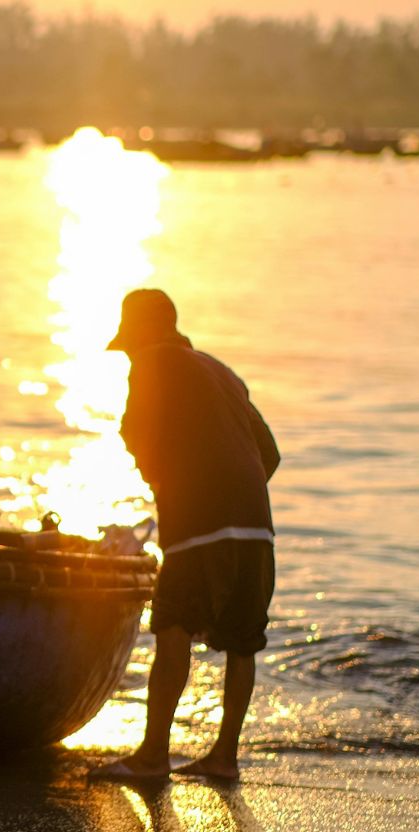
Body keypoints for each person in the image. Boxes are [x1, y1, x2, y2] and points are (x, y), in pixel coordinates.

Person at [91, 288, 279, 782]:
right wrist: (237, 499)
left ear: (145, 334)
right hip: (257, 526)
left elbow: (136, 432)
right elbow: (270, 455)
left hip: (199, 522)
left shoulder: (153, 361)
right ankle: (224, 759)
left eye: (130, 342)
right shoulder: (221, 372)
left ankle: (153, 757)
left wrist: (165, 480)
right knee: (243, 640)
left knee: (172, 625)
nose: (129, 353)